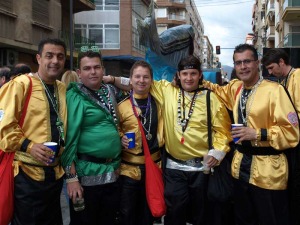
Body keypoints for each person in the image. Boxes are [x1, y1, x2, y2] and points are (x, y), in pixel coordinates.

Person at [106, 55, 232, 225]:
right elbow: (139, 82)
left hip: (202, 171)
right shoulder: (167, 90)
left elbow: (223, 131)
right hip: (173, 170)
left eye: (193, 74)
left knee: (201, 215)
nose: (189, 78)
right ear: (178, 75)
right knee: (174, 213)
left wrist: (216, 152)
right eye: (185, 74)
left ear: (200, 75)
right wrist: (112, 79)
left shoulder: (211, 98)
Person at [202, 43, 300, 225]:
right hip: (239, 171)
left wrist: (258, 133)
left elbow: (291, 132)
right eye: (238, 63)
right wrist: (195, 80)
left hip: (269, 174)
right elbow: (216, 90)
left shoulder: (275, 91)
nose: (242, 67)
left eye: (247, 61)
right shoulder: (236, 90)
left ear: (257, 63)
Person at [0, 38, 67, 225]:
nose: (55, 61)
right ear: (38, 58)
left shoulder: (62, 88)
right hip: (26, 176)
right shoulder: (20, 84)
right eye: (49, 56)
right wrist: (28, 146)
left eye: (60, 57)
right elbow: (3, 125)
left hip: (55, 176)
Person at [61, 50, 121, 225]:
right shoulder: (75, 96)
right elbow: (69, 139)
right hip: (86, 176)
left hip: (112, 172)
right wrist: (71, 179)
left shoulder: (108, 90)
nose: (93, 72)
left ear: (103, 69)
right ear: (79, 73)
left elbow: (135, 84)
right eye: (87, 68)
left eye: (96, 67)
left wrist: (114, 80)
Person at [113, 60, 164, 225]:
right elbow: (115, 130)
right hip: (128, 171)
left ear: (151, 80)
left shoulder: (160, 104)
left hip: (155, 167)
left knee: (150, 214)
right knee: (127, 214)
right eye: (137, 76)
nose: (141, 80)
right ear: (131, 79)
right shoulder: (121, 106)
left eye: (146, 77)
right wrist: (121, 138)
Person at [262, 48, 300, 225]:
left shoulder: (297, 77)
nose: (270, 73)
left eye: (271, 68)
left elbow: (295, 114)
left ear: (282, 63)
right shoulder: (285, 79)